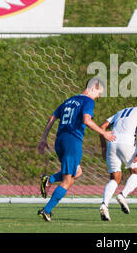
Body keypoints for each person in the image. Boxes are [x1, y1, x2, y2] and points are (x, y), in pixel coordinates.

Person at [36, 77, 116, 221]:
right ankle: (46, 210)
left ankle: (50, 179)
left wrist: (43, 138)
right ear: (93, 88)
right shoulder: (88, 101)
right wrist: (104, 132)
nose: (98, 97)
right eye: (99, 93)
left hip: (59, 140)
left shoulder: (69, 101)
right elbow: (87, 120)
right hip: (72, 141)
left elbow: (52, 117)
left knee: (77, 172)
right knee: (67, 180)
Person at [98, 106, 137, 221]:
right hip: (127, 143)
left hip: (112, 143)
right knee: (136, 173)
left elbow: (102, 127)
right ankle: (123, 195)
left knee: (114, 178)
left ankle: (104, 204)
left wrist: (103, 148)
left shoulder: (119, 112)